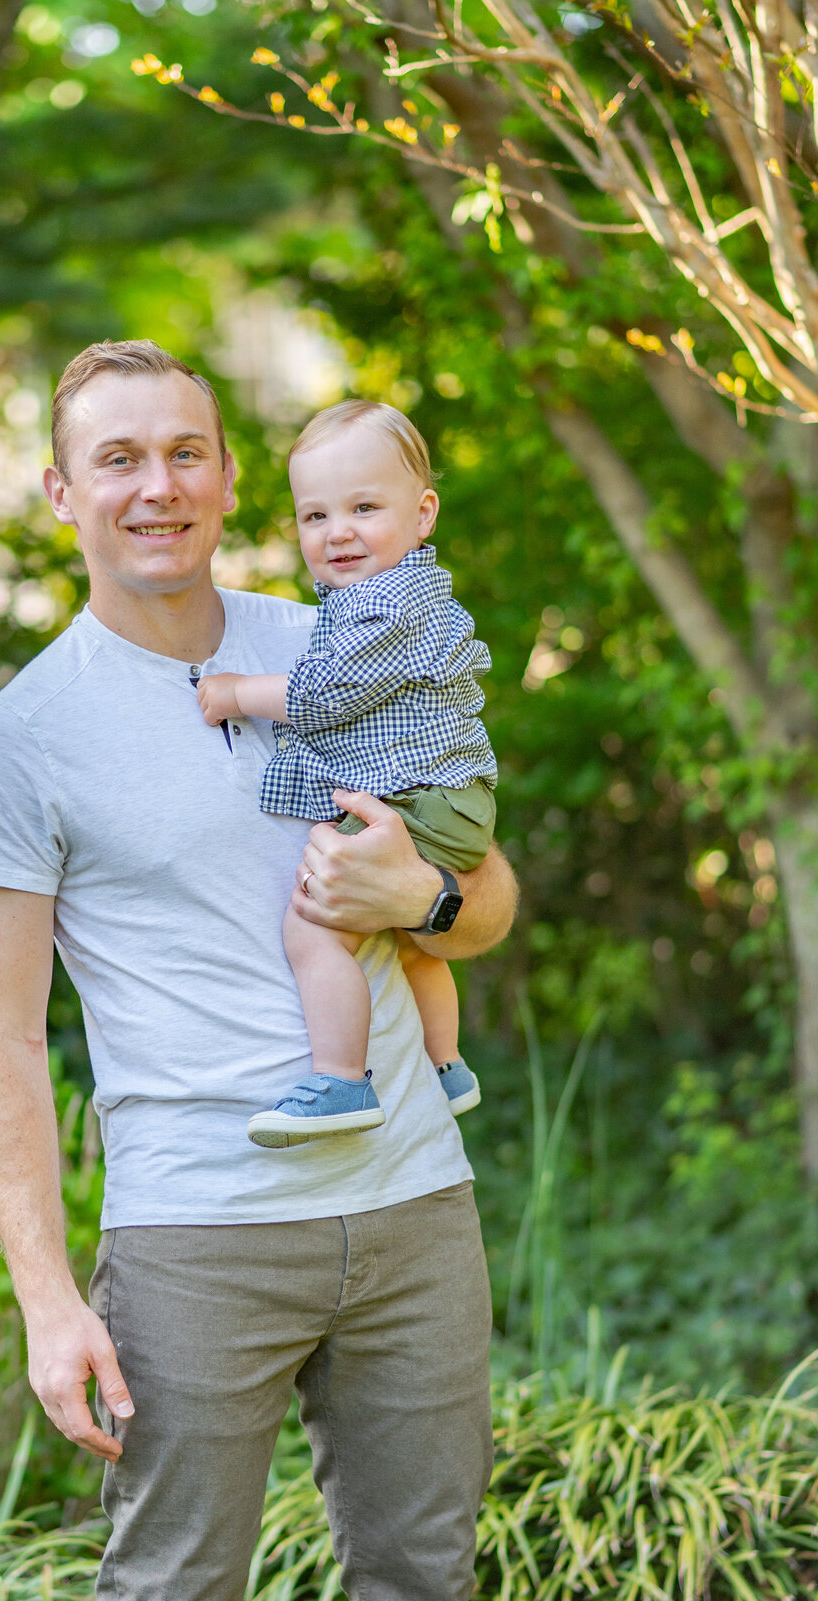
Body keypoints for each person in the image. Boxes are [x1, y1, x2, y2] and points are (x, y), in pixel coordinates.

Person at [0, 339, 518, 1601]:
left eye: (186, 452)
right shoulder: (23, 740)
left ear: (224, 472)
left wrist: (426, 906)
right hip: (195, 1238)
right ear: (64, 492)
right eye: (120, 461)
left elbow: (490, 895)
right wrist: (45, 1296)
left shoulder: (342, 632)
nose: (159, 487)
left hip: (413, 1209)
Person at [197, 399, 496, 1149]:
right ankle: (448, 1065)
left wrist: (235, 692)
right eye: (315, 517)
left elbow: (323, 697)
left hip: (422, 799)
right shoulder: (401, 594)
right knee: (401, 936)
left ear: (423, 513)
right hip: (450, 798)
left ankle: (340, 1078)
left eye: (364, 508)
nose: (337, 533)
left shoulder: (383, 606)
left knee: (314, 930)